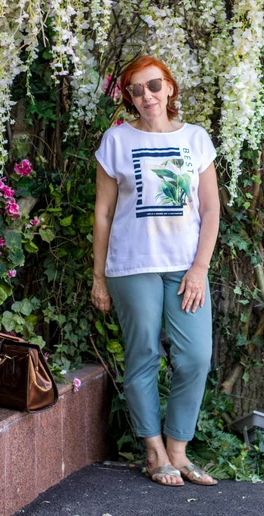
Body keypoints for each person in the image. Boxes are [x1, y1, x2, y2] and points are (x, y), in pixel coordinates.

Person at [91, 55, 220, 487]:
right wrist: (98, 277)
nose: (146, 95)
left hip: (185, 267)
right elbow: (104, 213)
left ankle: (179, 448)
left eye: (153, 85)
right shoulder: (117, 141)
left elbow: (209, 208)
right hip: (133, 265)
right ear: (129, 97)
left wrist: (200, 268)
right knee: (143, 355)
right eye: (136, 90)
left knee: (195, 356)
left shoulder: (196, 139)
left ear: (169, 88)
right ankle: (154, 452)